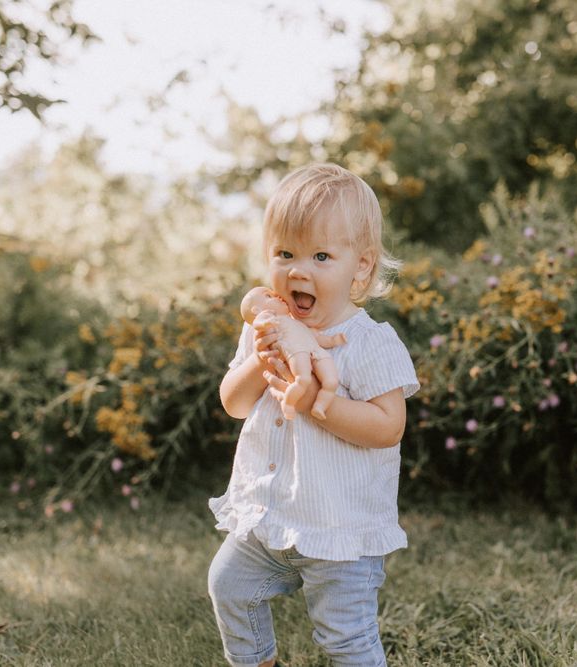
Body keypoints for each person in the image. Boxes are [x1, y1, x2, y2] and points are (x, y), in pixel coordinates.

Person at [208, 163, 419, 667]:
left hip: (340, 530)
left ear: (360, 268)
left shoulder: (368, 342)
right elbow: (234, 403)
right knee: (230, 587)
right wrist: (261, 359)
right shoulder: (265, 329)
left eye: (321, 256)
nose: (298, 271)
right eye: (285, 254)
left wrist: (318, 406)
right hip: (269, 518)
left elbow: (388, 426)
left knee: (345, 639)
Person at [238, 285, 347, 421]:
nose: (276, 296)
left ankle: (320, 405)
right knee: (303, 379)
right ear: (257, 310)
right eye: (268, 296)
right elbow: (258, 322)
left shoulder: (295, 321)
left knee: (331, 381)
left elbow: (314, 336)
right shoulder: (270, 318)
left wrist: (332, 340)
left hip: (315, 349)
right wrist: (265, 323)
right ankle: (289, 403)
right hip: (296, 350)